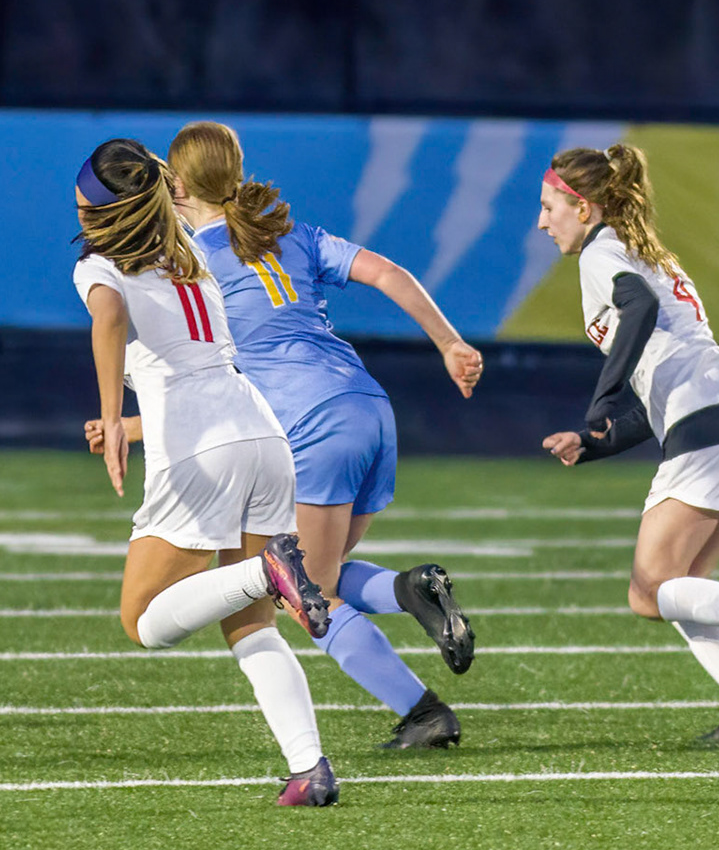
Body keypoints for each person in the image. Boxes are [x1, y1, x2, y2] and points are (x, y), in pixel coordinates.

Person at [92, 120, 483, 750]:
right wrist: (450, 343)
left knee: (300, 590)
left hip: (305, 423)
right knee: (317, 575)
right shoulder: (290, 234)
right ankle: (410, 602)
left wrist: (127, 422)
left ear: (178, 184)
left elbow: (218, 376)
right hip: (366, 407)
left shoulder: (191, 262)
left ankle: (423, 701)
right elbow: (387, 272)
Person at [534, 142, 719, 743]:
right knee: (683, 588)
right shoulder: (648, 253)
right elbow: (659, 391)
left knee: (649, 593)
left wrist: (601, 399)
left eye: (548, 207)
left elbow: (638, 307)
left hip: (709, 432)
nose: (543, 222)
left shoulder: (602, 252)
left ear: (583, 207)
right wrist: (595, 441)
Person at [72, 137, 339, 805]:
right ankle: (309, 767)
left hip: (199, 446)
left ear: (101, 211)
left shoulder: (100, 263)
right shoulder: (187, 248)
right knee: (250, 624)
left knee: (143, 622)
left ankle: (267, 571)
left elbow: (109, 315)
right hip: (261, 433)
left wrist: (112, 417)